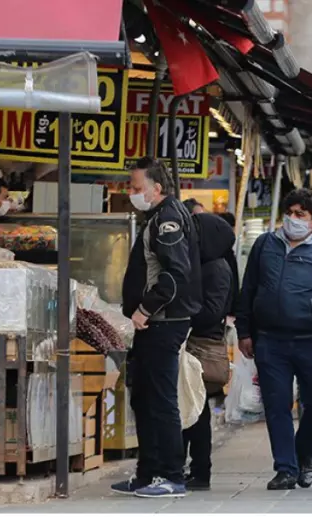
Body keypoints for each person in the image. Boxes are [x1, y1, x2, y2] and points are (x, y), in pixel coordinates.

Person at [235, 188, 312, 490]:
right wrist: (244, 331)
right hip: (270, 341)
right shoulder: (265, 244)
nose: (293, 219)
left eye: (301, 215)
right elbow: (249, 289)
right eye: (290, 213)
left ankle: (304, 454)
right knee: (277, 405)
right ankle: (285, 468)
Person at [113, 158, 202, 499]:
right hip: (153, 324)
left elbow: (175, 273)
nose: (132, 193)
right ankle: (147, 472)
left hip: (164, 322)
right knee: (144, 398)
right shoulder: (156, 216)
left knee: (162, 400)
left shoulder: (167, 220)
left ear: (157, 188)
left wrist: (145, 308)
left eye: (136, 187)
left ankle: (172, 476)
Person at [181, 213, 239, 491]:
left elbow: (213, 311)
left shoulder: (216, 268)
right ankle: (190, 468)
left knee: (196, 408)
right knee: (190, 405)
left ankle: (200, 470)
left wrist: (183, 315)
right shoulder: (205, 264)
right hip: (194, 341)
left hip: (200, 344)